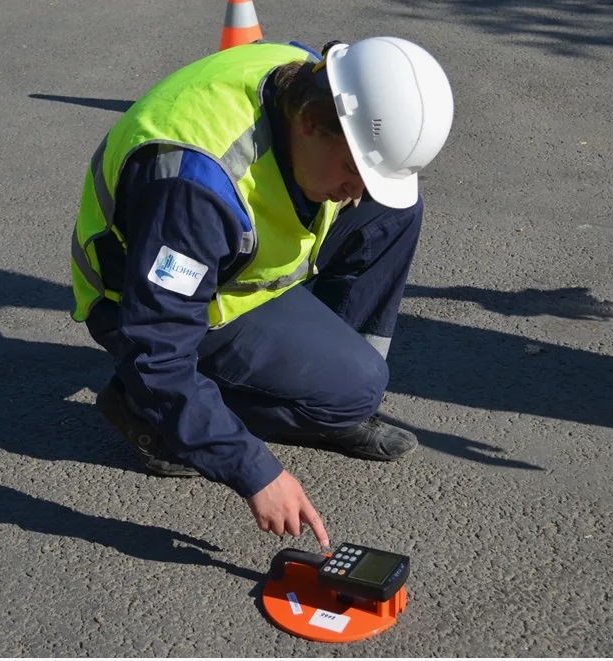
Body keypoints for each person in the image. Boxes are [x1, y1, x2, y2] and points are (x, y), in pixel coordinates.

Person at [70, 36, 454, 547]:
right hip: (144, 304)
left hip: (228, 263)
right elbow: (155, 349)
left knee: (394, 211)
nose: (356, 191)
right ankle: (144, 409)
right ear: (311, 123)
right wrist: (253, 469)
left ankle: (332, 397)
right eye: (353, 170)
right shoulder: (196, 188)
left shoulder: (304, 75)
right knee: (356, 386)